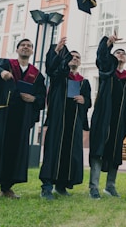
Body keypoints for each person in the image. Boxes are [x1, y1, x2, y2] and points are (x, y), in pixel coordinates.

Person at [0, 39, 46, 204]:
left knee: (14, 152)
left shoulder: (36, 74)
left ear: (32, 51)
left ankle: (6, 188)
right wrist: (1, 73)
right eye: (23, 45)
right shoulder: (6, 64)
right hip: (3, 114)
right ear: (17, 49)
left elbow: (42, 97)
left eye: (29, 46)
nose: (26, 47)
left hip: (22, 118)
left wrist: (33, 98)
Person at [39, 37, 92, 200]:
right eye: (72, 56)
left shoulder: (84, 82)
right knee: (53, 150)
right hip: (58, 120)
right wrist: (56, 51)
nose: (74, 59)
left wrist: (84, 100)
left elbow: (89, 102)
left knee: (70, 152)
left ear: (80, 62)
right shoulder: (59, 76)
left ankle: (61, 185)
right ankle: (47, 186)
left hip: (74, 123)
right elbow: (50, 68)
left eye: (77, 57)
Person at [88, 33, 126, 199]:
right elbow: (101, 57)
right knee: (98, 149)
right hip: (103, 117)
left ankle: (110, 186)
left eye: (123, 53)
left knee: (115, 151)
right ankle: (93, 186)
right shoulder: (107, 71)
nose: (120, 54)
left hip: (120, 120)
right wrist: (108, 44)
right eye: (117, 53)